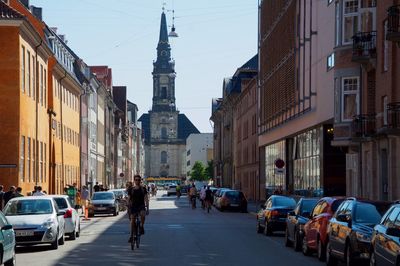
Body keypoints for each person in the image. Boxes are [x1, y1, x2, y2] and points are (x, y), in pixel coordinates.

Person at [127, 175, 149, 243]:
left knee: (142, 215)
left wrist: (147, 208)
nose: (137, 181)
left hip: (141, 205)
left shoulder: (143, 189)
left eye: (138, 180)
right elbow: (129, 198)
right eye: (136, 180)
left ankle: (142, 226)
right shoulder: (131, 189)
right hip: (133, 206)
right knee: (132, 220)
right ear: (134, 180)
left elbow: (146, 198)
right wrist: (128, 206)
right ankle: (131, 236)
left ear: (140, 181)